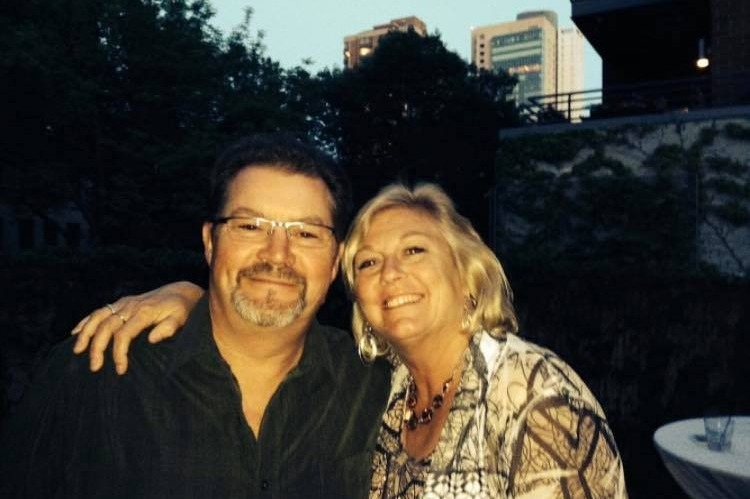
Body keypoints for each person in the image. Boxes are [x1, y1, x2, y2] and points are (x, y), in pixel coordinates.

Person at [72, 183, 629, 498]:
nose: (391, 274)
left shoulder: (533, 396)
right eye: (368, 262)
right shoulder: (380, 388)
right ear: (357, 294)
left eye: (414, 250)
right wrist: (194, 294)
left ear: (466, 271)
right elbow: (264, 313)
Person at [0, 134, 390, 499]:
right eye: (249, 226)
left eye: (306, 233)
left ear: (336, 261)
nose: (276, 254)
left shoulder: (375, 386)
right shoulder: (93, 375)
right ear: (210, 243)